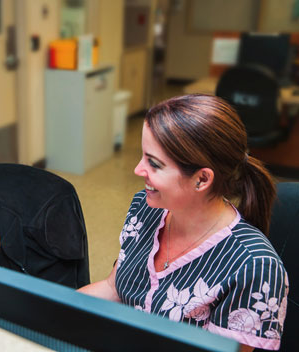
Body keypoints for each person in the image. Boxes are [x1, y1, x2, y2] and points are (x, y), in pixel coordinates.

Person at [79, 94, 288, 351]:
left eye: (154, 164)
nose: (137, 169)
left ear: (201, 179)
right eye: (142, 156)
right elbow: (113, 288)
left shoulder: (254, 266)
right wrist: (49, 311)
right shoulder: (146, 209)